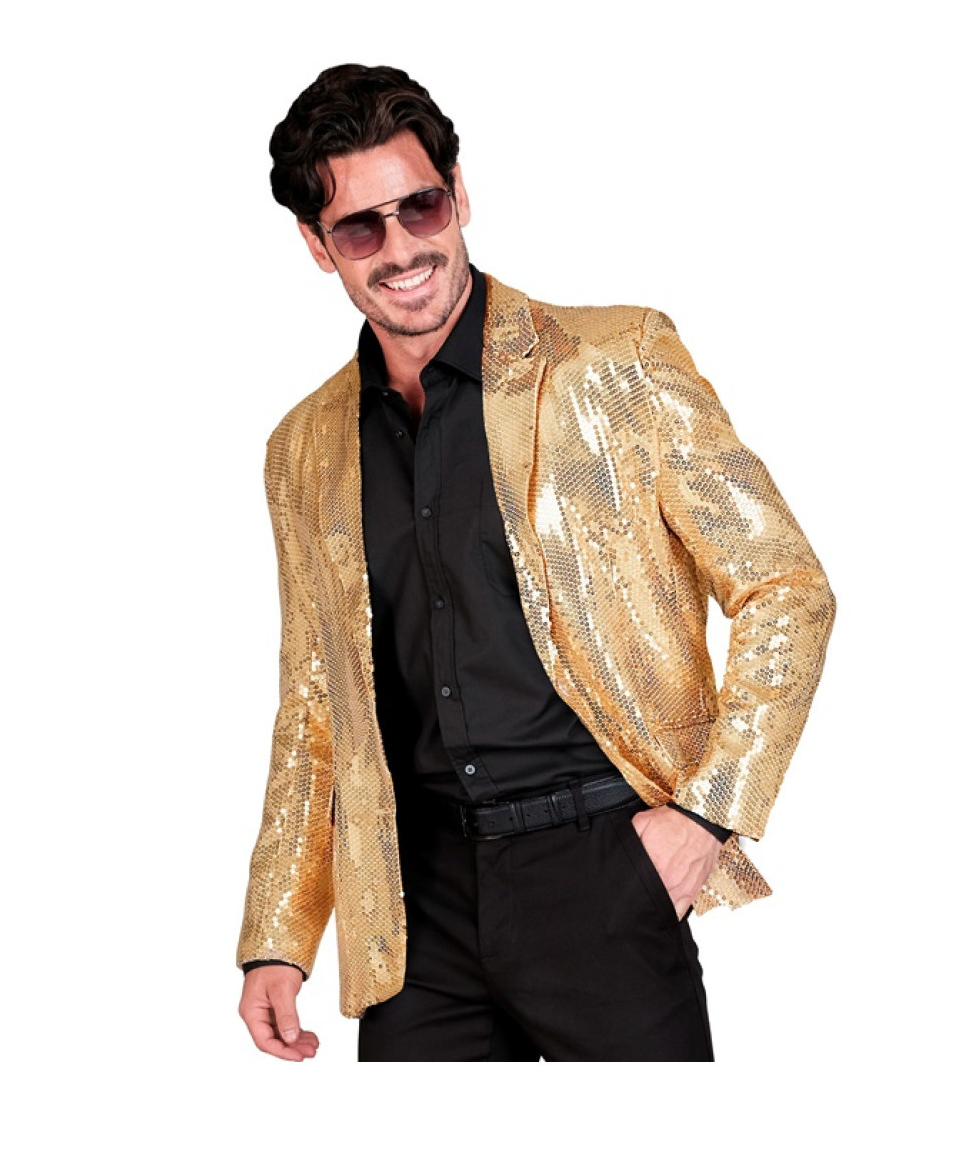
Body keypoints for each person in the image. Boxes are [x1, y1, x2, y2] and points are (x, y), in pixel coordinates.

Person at [235, 63, 836, 1062]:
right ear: (316, 244)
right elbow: (314, 703)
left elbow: (786, 588)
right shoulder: (303, 449)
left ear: (459, 194)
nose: (402, 247)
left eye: (420, 206)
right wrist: (278, 935)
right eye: (360, 229)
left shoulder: (613, 362)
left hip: (603, 867)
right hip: (416, 910)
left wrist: (705, 817)